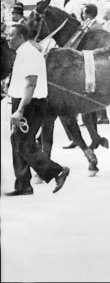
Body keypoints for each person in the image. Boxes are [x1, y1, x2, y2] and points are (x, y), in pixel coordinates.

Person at [5, 24, 70, 196]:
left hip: (30, 104)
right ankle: (23, 185)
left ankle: (57, 171)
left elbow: (31, 84)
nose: (7, 38)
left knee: (25, 143)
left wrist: (19, 110)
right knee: (17, 140)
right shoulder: (22, 53)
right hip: (24, 101)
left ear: (20, 37)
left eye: (11, 35)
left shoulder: (29, 54)